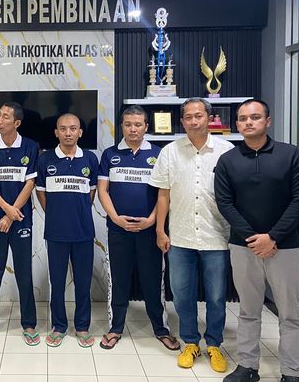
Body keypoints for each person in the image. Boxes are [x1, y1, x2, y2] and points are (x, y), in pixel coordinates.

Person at [215, 99, 299, 382]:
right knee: (248, 310)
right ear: (237, 124)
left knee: (290, 313)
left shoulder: (290, 155)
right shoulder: (228, 161)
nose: (249, 122)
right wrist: (253, 238)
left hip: (285, 246)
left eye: (255, 117)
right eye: (243, 118)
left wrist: (273, 237)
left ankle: (291, 372)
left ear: (268, 121)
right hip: (243, 246)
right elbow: (225, 203)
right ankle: (248, 367)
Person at [149, 97, 233, 372]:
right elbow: (163, 195)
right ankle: (190, 342)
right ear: (181, 121)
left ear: (209, 118)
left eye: (199, 116)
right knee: (182, 295)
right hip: (180, 236)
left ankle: (214, 344)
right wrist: (160, 230)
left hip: (216, 236)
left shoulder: (227, 151)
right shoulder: (170, 152)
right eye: (188, 117)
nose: (194, 121)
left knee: (216, 296)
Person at [97, 105, 178, 351]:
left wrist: (153, 220)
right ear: (122, 126)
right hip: (118, 230)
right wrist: (116, 218)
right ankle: (115, 328)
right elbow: (103, 191)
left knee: (153, 280)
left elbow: (165, 193)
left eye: (138, 124)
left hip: (150, 231)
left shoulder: (158, 154)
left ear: (146, 127)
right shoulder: (110, 154)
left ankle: (161, 329)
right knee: (118, 280)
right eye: (128, 124)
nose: (133, 129)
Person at [0, 102, 39, 345]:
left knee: (24, 273)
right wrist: (6, 209)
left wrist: (12, 214)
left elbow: (30, 183)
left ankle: (29, 323)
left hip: (21, 219)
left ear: (17, 123)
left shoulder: (31, 146)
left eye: (5, 117)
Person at [36, 113, 98, 348]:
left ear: (80, 132)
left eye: (73, 128)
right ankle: (59, 326)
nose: (68, 133)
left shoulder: (90, 159)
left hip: (83, 232)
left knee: (83, 282)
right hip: (56, 232)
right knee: (57, 282)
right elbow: (41, 193)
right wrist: (56, 214)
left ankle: (82, 326)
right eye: (63, 129)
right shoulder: (45, 160)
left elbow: (91, 193)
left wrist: (78, 212)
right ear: (56, 132)